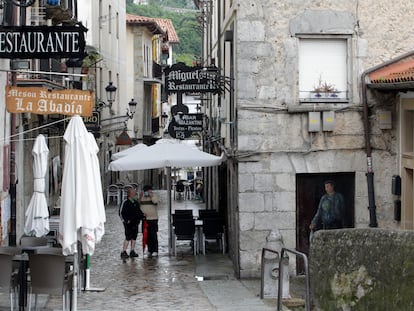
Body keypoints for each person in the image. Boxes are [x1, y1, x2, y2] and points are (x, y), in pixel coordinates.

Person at [119, 187, 144, 259]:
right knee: (128, 236)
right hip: (128, 223)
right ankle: (123, 251)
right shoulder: (125, 202)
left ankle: (132, 250)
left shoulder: (135, 202)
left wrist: (142, 216)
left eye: (135, 193)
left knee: (134, 237)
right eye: (133, 193)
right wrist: (126, 221)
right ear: (129, 194)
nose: (135, 194)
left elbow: (138, 212)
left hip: (135, 222)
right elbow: (121, 213)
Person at [139, 185, 159, 258]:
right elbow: (138, 205)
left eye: (148, 191)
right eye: (145, 191)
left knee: (153, 235)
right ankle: (149, 249)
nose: (146, 192)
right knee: (146, 236)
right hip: (145, 219)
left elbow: (155, 201)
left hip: (153, 218)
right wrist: (140, 197)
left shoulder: (154, 196)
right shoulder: (142, 197)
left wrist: (151, 196)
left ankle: (155, 250)